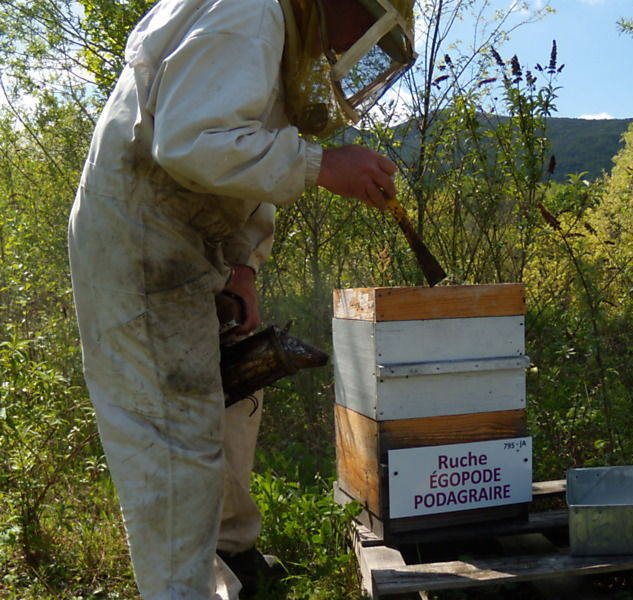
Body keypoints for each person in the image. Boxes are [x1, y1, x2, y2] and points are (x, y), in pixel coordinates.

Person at [67, 0, 415, 597]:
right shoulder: (249, 11)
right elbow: (191, 140)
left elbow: (241, 163)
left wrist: (242, 268)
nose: (360, 45)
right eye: (369, 28)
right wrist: (323, 164)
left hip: (189, 242)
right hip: (144, 244)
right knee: (174, 443)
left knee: (228, 406)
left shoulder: (276, 34)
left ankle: (233, 558)